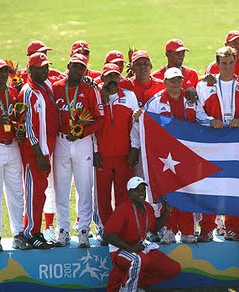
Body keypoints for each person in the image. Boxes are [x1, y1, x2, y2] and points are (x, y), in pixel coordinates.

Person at [196, 46, 239, 241]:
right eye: (224, 63)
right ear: (217, 64)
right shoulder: (205, 86)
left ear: (236, 62)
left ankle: (234, 228)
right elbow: (198, 112)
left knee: (235, 185)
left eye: (231, 63)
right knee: (211, 185)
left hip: (237, 144)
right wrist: (210, 120)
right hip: (213, 141)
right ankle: (206, 229)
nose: (228, 67)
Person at [136, 67, 197, 244]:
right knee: (168, 191)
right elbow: (143, 122)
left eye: (179, 79)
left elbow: (201, 118)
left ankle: (187, 230)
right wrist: (138, 117)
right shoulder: (155, 102)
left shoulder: (192, 100)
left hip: (187, 155)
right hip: (165, 157)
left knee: (187, 191)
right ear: (165, 82)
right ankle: (169, 229)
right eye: (172, 80)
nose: (176, 83)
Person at [52, 53, 104, 248]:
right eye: (74, 66)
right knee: (61, 187)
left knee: (84, 186)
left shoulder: (91, 89)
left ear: (85, 70)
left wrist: (82, 132)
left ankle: (83, 230)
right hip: (61, 141)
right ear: (68, 66)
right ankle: (63, 230)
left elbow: (101, 119)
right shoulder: (56, 88)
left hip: (82, 142)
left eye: (81, 67)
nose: (77, 71)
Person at [104, 176, 181, 291]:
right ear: (129, 192)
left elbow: (153, 228)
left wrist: (166, 213)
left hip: (140, 247)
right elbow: (108, 235)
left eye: (143, 190)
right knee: (139, 260)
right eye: (137, 190)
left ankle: (137, 284)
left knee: (173, 268)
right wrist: (130, 248)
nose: (141, 193)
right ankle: (128, 289)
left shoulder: (147, 207)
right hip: (120, 250)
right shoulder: (123, 209)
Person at [94, 63, 140, 244]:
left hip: (124, 156)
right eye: (108, 76)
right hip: (103, 156)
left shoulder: (129, 96)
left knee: (123, 196)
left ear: (120, 78)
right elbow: (93, 126)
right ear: (102, 78)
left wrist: (134, 147)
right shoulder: (96, 96)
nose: (112, 80)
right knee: (103, 197)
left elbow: (135, 124)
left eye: (115, 76)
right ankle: (106, 230)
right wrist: (95, 150)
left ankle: (120, 230)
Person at [18, 53, 59, 249]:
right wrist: (38, 153)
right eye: (41, 67)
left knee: (40, 193)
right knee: (34, 193)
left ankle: (36, 230)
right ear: (30, 70)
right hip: (35, 153)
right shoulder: (28, 91)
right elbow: (27, 126)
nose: (45, 70)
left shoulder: (46, 85)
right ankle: (30, 232)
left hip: (45, 151)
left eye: (46, 67)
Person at [0, 59, 31, 252]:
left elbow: (18, 119)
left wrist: (20, 131)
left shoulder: (13, 93)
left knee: (17, 191)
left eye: (5, 71)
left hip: (13, 146)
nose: (3, 74)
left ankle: (19, 233)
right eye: (0, 71)